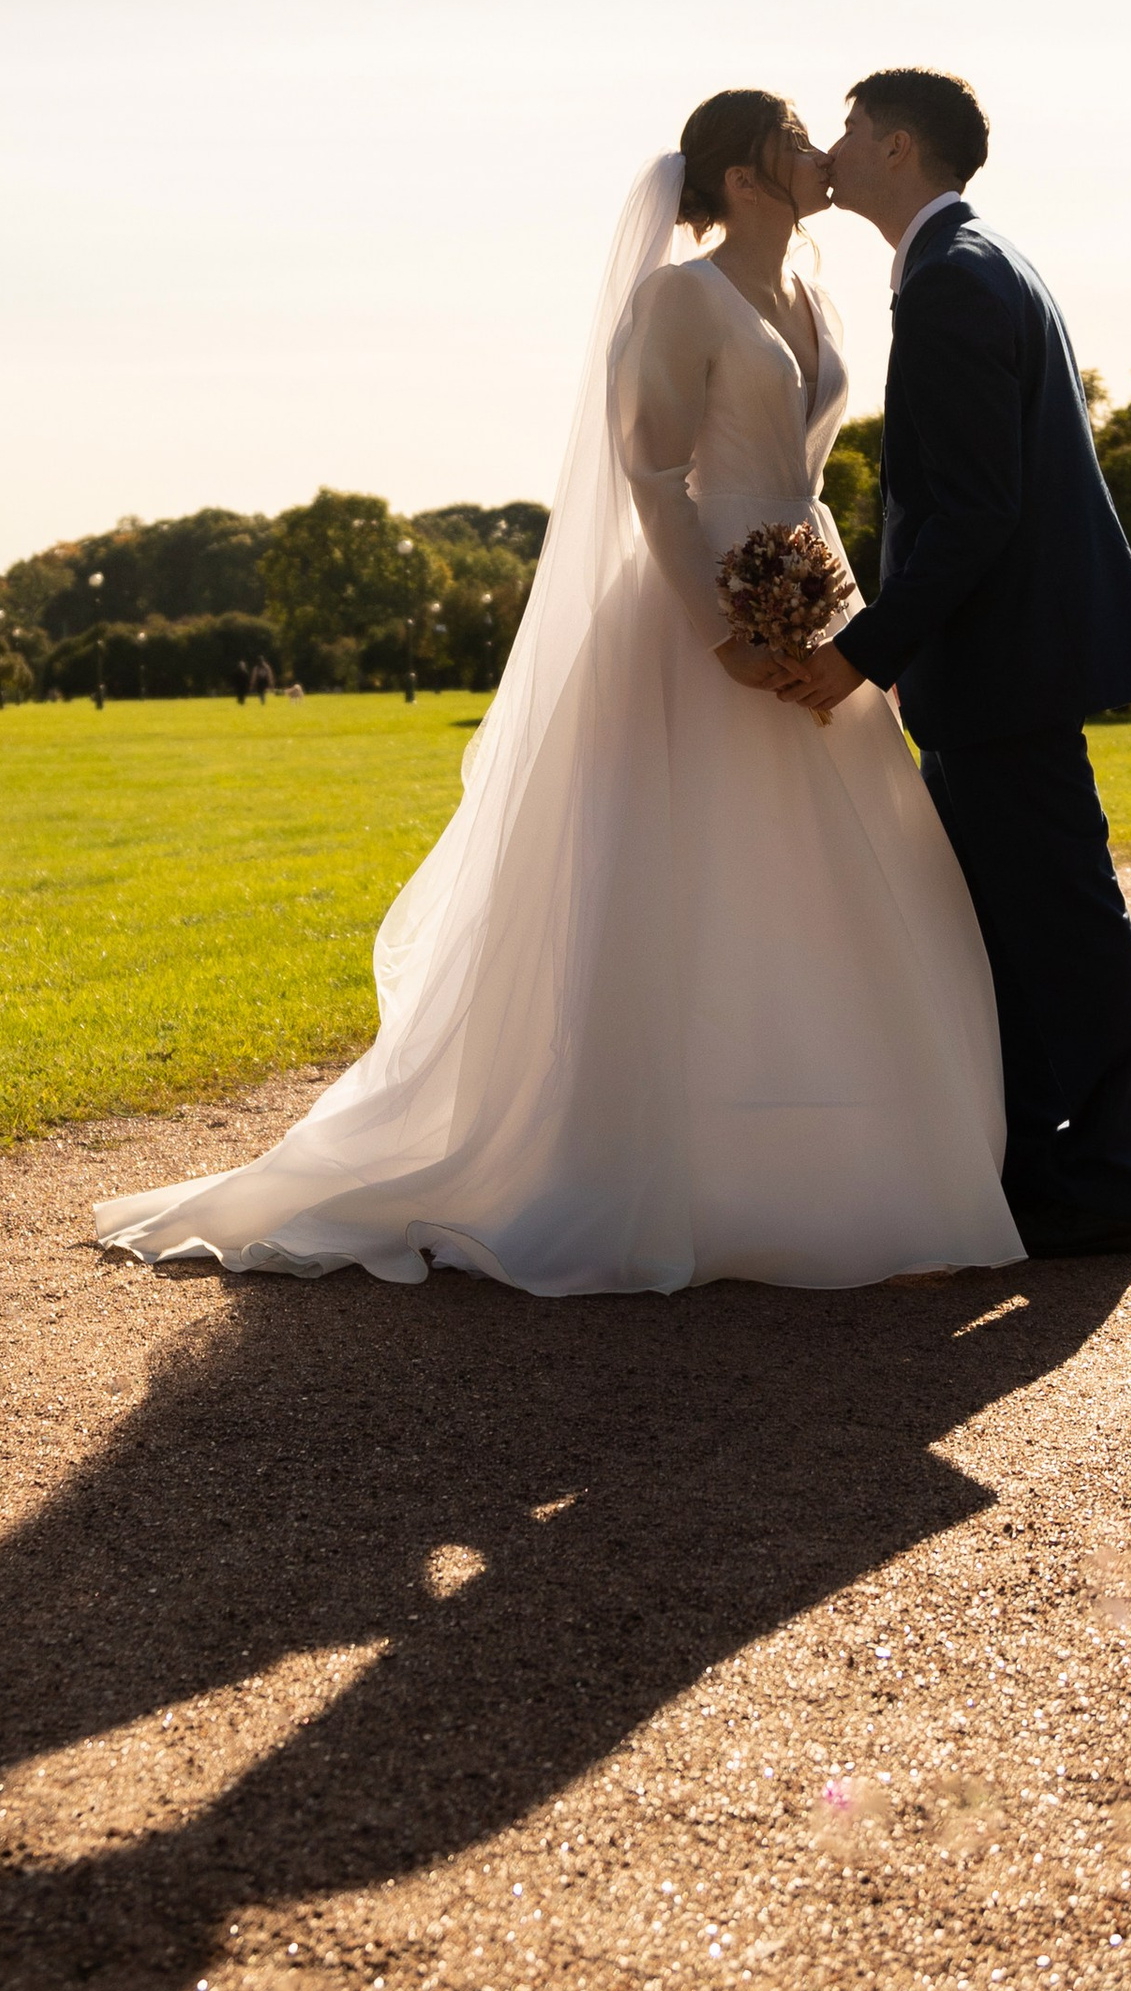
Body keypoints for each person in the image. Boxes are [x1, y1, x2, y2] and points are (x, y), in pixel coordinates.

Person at [96, 92, 1020, 1292]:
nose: (819, 153)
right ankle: (646, 1171)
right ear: (743, 172)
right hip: (700, 618)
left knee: (829, 884)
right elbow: (650, 474)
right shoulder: (678, 297)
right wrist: (724, 633)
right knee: (684, 886)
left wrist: (826, 614)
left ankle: (832, 1166)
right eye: (796, 135)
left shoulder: (821, 294)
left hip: (814, 600)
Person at [778, 69, 1131, 1255]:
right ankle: (1045, 1165)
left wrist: (860, 654)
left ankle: (1105, 1180)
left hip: (1002, 669)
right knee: (1012, 924)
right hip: (1003, 664)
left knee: (1062, 919)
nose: (834, 144)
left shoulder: (953, 279)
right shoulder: (974, 260)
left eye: (848, 127)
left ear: (898, 147)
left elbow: (971, 512)